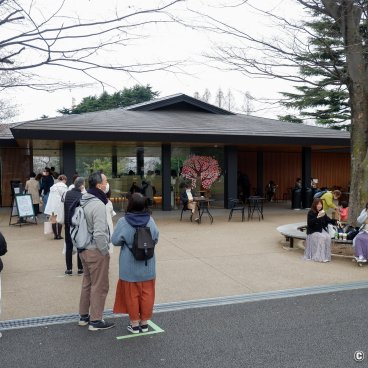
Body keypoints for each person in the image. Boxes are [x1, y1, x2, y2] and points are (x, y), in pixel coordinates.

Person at [112, 193, 159, 334]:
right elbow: (156, 237)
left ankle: (134, 324)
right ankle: (144, 323)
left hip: (129, 264)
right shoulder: (150, 220)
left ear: (130, 204)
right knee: (147, 293)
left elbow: (115, 240)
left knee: (131, 294)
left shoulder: (123, 221)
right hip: (147, 262)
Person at [78, 171, 115, 331]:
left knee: (87, 282)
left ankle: (84, 316)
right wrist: (105, 250)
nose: (107, 184)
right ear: (100, 185)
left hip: (83, 248)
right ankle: (96, 320)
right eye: (106, 181)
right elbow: (100, 233)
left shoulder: (84, 199)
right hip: (95, 250)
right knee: (100, 285)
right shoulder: (99, 204)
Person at [304, 198, 337, 262]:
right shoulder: (311, 212)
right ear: (315, 205)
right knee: (322, 237)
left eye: (321, 204)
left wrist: (335, 221)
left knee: (328, 237)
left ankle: (325, 256)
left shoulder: (322, 212)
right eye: (318, 204)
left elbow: (328, 220)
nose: (320, 206)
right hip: (312, 231)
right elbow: (310, 223)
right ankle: (318, 256)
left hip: (320, 230)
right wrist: (318, 217)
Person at [63, 177, 85, 276]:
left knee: (69, 246)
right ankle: (80, 268)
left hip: (68, 223)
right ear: (82, 185)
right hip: (78, 225)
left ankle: (69, 269)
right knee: (80, 245)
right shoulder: (82, 196)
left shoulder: (67, 194)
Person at [44, 175, 68, 240]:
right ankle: (59, 235)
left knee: (53, 220)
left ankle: (55, 235)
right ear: (64, 180)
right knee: (60, 219)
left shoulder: (53, 186)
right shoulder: (63, 186)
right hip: (59, 204)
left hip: (52, 205)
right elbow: (65, 196)